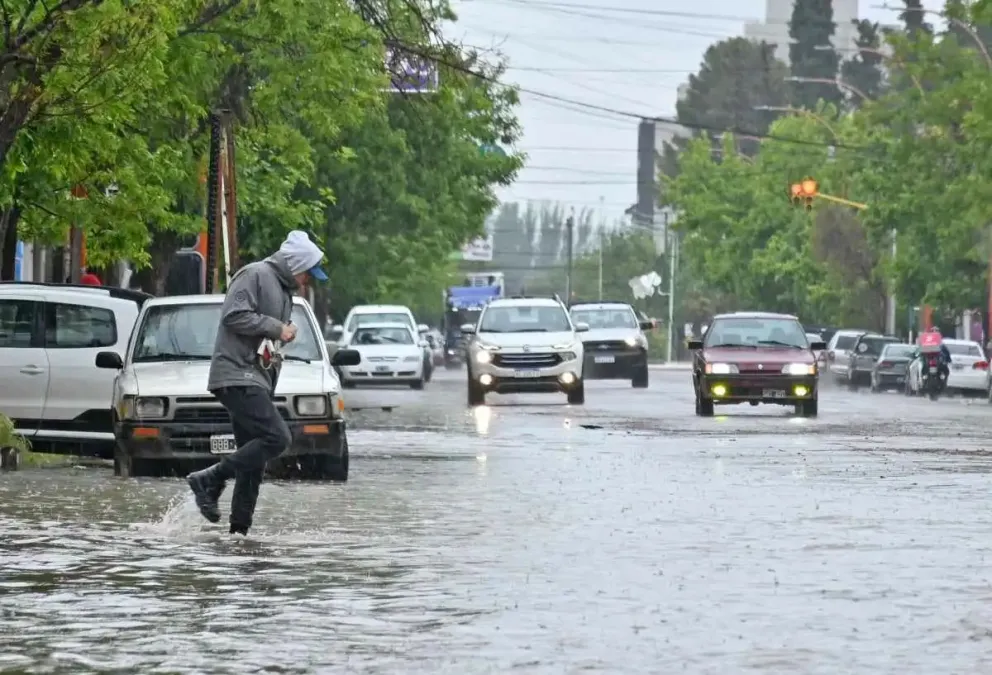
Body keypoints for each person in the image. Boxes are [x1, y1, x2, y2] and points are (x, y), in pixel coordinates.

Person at [186, 230, 328, 535]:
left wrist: (277, 340)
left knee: (253, 462)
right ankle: (210, 478)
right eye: (307, 273)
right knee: (278, 438)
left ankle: (239, 534)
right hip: (236, 375)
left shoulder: (284, 290)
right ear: (294, 265)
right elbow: (233, 316)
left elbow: (262, 335)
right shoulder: (255, 275)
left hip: (256, 377)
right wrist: (277, 328)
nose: (308, 281)